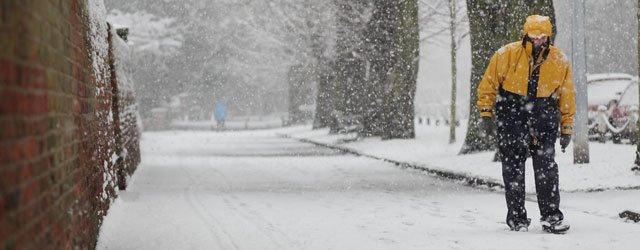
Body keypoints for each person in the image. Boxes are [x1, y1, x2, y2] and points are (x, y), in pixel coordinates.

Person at [477, 15, 575, 233]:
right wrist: (485, 113)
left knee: (547, 169)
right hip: (512, 118)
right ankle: (517, 218)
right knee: (512, 170)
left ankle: (551, 217)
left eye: (542, 36)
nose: (538, 40)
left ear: (549, 36)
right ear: (525, 35)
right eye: (534, 36)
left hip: (544, 120)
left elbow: (566, 96)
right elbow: (488, 85)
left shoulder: (560, 60)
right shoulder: (506, 55)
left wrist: (566, 127)